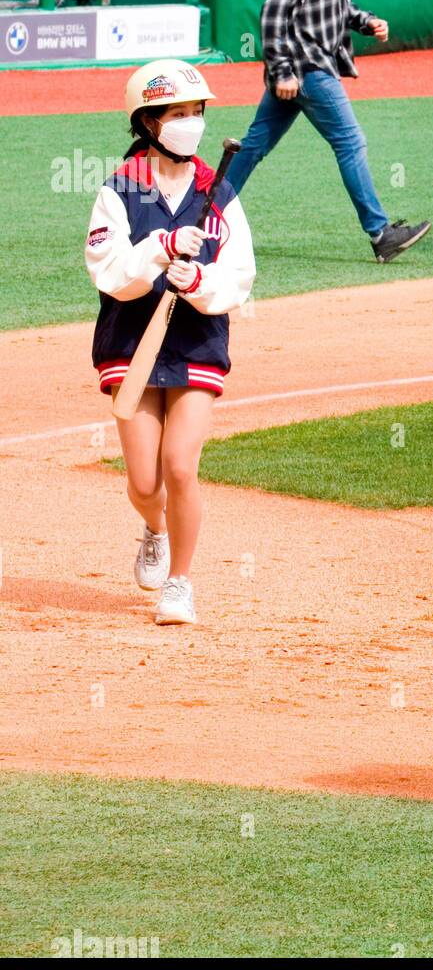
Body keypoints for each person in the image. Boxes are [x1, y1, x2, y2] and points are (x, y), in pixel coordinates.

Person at [85, 60, 256, 627]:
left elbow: (240, 273)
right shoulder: (119, 191)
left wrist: (200, 281)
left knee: (180, 467)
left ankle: (180, 583)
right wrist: (159, 248)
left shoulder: (219, 190)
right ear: (149, 121)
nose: (190, 123)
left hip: (196, 342)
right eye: (176, 113)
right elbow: (107, 272)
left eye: (195, 112)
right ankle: (153, 529)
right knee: (143, 482)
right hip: (131, 342)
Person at [227, 0, 430, 264]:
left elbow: (330, 3)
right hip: (306, 66)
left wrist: (364, 21)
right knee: (350, 142)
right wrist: (282, 70)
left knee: (253, 146)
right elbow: (273, 13)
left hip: (308, 62)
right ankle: (380, 234)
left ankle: (204, 218)